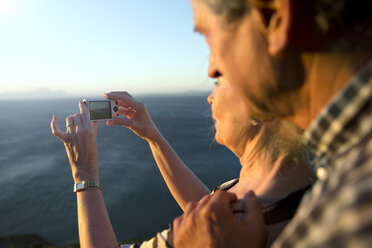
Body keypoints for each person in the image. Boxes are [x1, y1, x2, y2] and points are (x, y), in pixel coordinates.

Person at [173, 0, 372, 247]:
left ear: (274, 17)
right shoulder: (339, 169)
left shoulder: (352, 212)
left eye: (209, 36)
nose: (212, 69)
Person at [51, 77, 314, 247]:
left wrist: (83, 171)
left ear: (259, 103)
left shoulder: (217, 238)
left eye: (219, 80)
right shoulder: (293, 191)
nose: (210, 97)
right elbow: (208, 207)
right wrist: (154, 138)